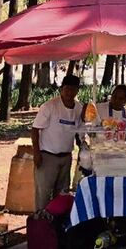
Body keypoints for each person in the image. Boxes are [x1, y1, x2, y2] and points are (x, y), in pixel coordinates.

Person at [31, 75, 83, 211]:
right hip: (47, 156)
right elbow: (35, 130)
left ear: (77, 91)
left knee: (62, 194)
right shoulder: (49, 106)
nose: (70, 92)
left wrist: (82, 148)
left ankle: (57, 221)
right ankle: (40, 219)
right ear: (61, 89)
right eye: (67, 89)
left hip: (66, 157)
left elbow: (78, 131)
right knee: (43, 194)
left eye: (73, 89)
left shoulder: (79, 108)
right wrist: (36, 153)